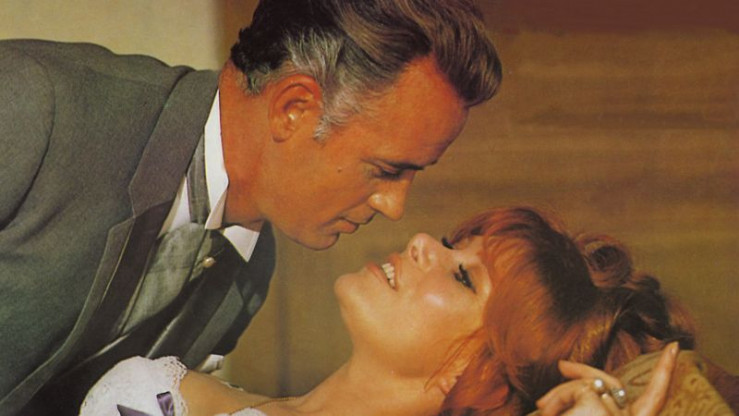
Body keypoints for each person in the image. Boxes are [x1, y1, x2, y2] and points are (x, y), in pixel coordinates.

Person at [0, 1, 502, 414]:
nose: (395, 207)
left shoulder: (249, 272)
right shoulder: (33, 106)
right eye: (387, 169)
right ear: (293, 109)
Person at [79, 207, 716, 416]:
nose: (420, 243)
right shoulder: (169, 385)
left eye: (463, 277)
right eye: (450, 243)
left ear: (478, 371)